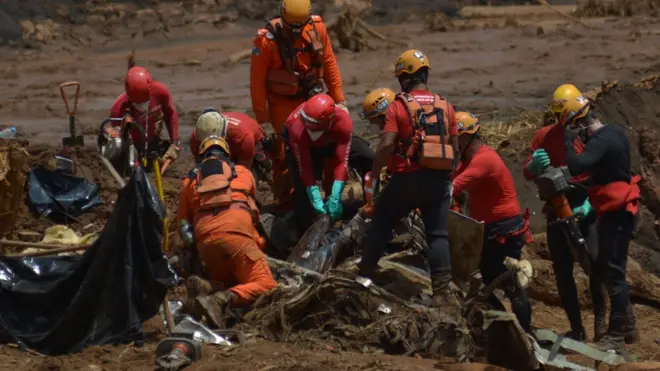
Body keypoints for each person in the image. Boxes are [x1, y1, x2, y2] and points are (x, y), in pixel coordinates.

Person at [357, 49, 459, 310]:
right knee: (438, 235)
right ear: (425, 74)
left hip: (406, 179)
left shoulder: (398, 107)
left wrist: (377, 173)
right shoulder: (446, 105)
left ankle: (363, 277)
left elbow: (387, 144)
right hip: (437, 181)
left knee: (381, 222)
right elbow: (455, 148)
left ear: (404, 79)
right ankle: (442, 292)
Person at [522, 84, 606, 342]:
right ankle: (577, 329)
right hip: (556, 207)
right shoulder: (544, 137)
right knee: (562, 271)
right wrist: (534, 165)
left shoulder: (591, 135)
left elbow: (604, 172)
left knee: (595, 264)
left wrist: (590, 205)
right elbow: (527, 171)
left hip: (585, 202)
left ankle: (602, 324)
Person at [560, 93, 640, 350]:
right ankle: (628, 329)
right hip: (619, 210)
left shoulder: (600, 140)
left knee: (612, 271)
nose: (578, 134)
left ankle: (616, 336)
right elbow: (610, 171)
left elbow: (577, 165)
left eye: (575, 128)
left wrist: (567, 142)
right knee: (611, 268)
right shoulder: (615, 133)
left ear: (580, 123)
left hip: (616, 212)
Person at [177, 124, 276, 328]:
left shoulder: (190, 182)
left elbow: (183, 224)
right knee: (267, 285)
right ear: (228, 154)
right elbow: (252, 215)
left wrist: (194, 247)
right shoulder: (244, 173)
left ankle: (209, 288)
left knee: (236, 281)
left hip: (206, 244)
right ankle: (220, 299)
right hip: (237, 237)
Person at [250, 0, 346, 207]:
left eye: (299, 27)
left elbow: (329, 62)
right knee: (283, 155)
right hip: (281, 103)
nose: (294, 32)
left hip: (312, 98)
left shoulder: (317, 28)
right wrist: (263, 119)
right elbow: (256, 82)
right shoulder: (265, 41)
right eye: (290, 27)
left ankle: (330, 195)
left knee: (329, 143)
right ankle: (287, 202)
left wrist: (339, 99)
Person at [451, 111, 533, 332]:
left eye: (455, 138)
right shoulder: (471, 160)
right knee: (491, 279)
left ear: (465, 138)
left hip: (504, 227)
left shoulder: (483, 161)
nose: (453, 143)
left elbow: (451, 187)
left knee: (506, 281)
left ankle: (522, 330)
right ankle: (511, 327)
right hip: (493, 226)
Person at [284, 93, 374, 234]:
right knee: (301, 189)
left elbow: (341, 161)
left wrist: (336, 193)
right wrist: (313, 193)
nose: (310, 129)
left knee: (368, 157)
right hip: (303, 144)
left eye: (314, 127)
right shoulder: (298, 128)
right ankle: (304, 230)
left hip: (329, 138)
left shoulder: (343, 122)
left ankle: (369, 206)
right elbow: (304, 166)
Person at [107, 66, 181, 165]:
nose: (142, 106)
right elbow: (125, 138)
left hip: (151, 141)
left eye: (145, 101)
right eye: (138, 103)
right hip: (129, 146)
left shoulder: (161, 92)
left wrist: (175, 143)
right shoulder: (119, 110)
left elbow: (170, 113)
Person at [189, 108, 272, 182]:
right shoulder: (196, 137)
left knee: (247, 180)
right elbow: (200, 164)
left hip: (251, 146)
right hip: (230, 145)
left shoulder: (243, 135)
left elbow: (244, 170)